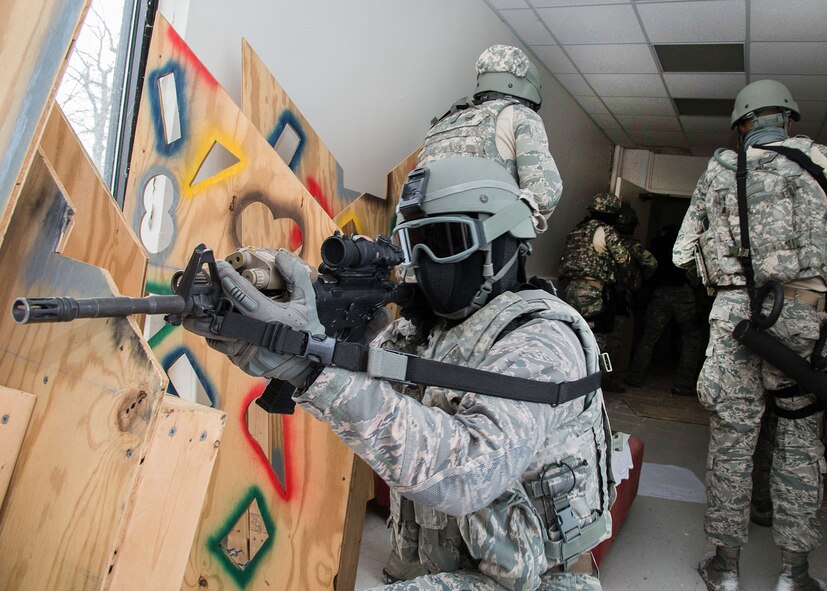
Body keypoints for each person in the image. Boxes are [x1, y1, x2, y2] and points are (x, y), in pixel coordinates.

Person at [185, 156, 614, 590]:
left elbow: (467, 472)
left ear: (503, 241)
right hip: (442, 561)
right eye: (415, 243)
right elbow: (380, 405)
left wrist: (311, 366)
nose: (427, 261)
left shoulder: (542, 339)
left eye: (445, 239)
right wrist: (286, 338)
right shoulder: (425, 328)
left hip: (536, 579)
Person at [673, 79, 827, 591]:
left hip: (736, 315)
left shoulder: (718, 172)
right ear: (788, 118)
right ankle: (795, 574)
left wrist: (724, 278)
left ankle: (725, 569)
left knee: (732, 444)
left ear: (742, 123)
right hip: (804, 316)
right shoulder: (820, 162)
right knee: (801, 442)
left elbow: (680, 252)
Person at [418, 44, 563, 234]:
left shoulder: (439, 125)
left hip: (428, 250)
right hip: (484, 251)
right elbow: (544, 195)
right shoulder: (520, 115)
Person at [624, 224, 704, 396]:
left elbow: (650, 266)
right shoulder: (689, 244)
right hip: (683, 294)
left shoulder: (657, 242)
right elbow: (694, 274)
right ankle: (683, 385)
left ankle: (635, 377)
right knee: (692, 338)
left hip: (660, 293)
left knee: (649, 336)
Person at [559, 192, 631, 370]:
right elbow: (623, 259)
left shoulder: (578, 228)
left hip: (570, 287)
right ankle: (598, 379)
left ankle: (571, 372)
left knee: (573, 332)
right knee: (599, 333)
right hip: (592, 290)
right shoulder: (606, 230)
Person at [603, 203, 657, 392]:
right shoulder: (632, 246)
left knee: (602, 336)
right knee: (615, 339)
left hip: (602, 294)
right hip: (620, 297)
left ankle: (600, 375)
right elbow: (651, 264)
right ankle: (606, 376)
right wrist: (641, 280)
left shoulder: (607, 240)